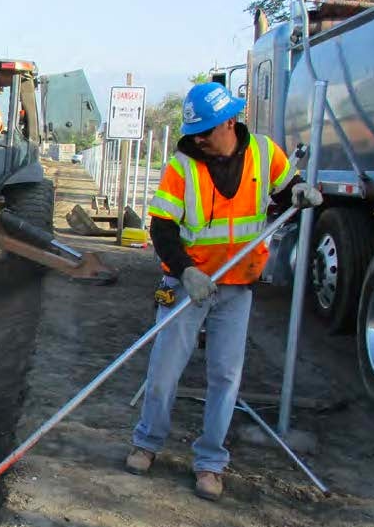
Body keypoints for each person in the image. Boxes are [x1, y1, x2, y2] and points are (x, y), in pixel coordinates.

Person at [124, 82, 322, 501]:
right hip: (188, 285)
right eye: (195, 133)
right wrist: (186, 271)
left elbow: (289, 190)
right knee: (163, 370)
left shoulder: (265, 154)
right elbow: (161, 226)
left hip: (236, 286)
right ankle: (147, 442)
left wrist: (300, 192)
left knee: (226, 375)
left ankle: (211, 462)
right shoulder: (182, 165)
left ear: (229, 122)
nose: (199, 140)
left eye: (206, 132)